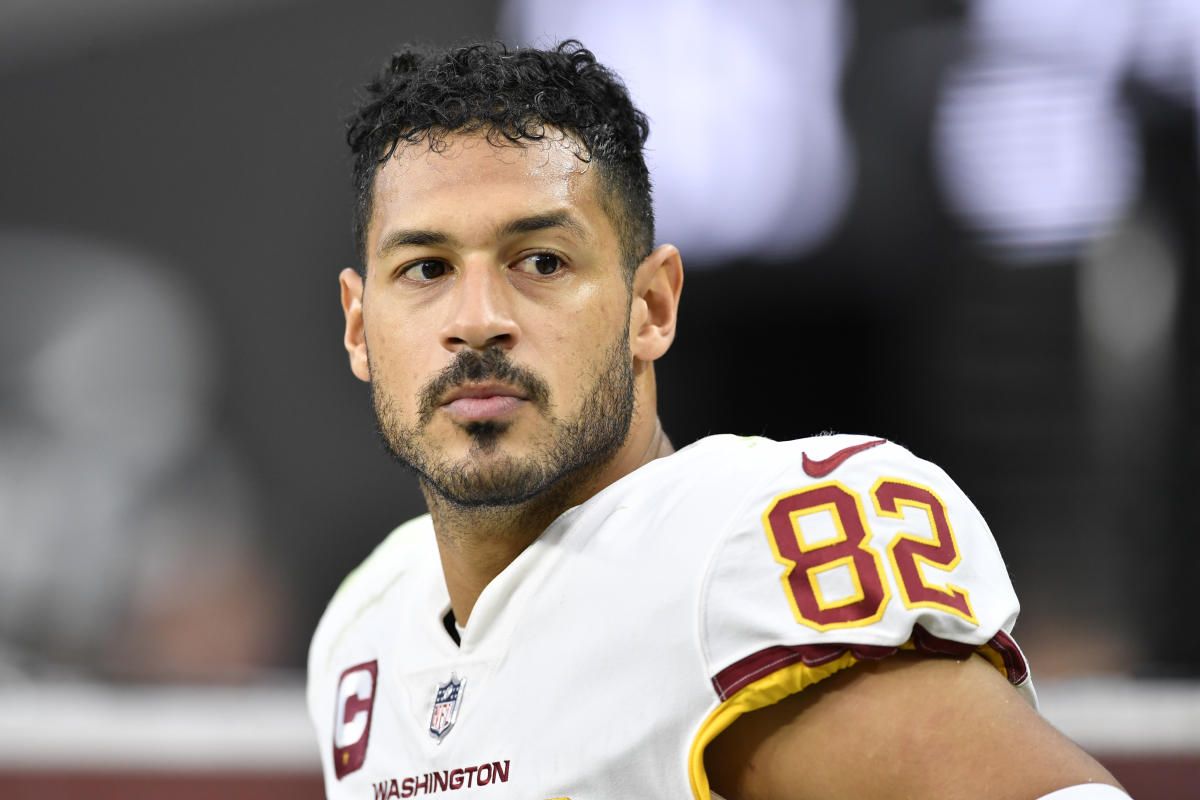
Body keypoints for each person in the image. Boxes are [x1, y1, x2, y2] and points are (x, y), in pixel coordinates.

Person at [307, 40, 1129, 800]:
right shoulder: (365, 628)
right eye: (426, 268)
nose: (478, 317)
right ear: (358, 325)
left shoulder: (737, 556)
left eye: (542, 261)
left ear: (652, 307)